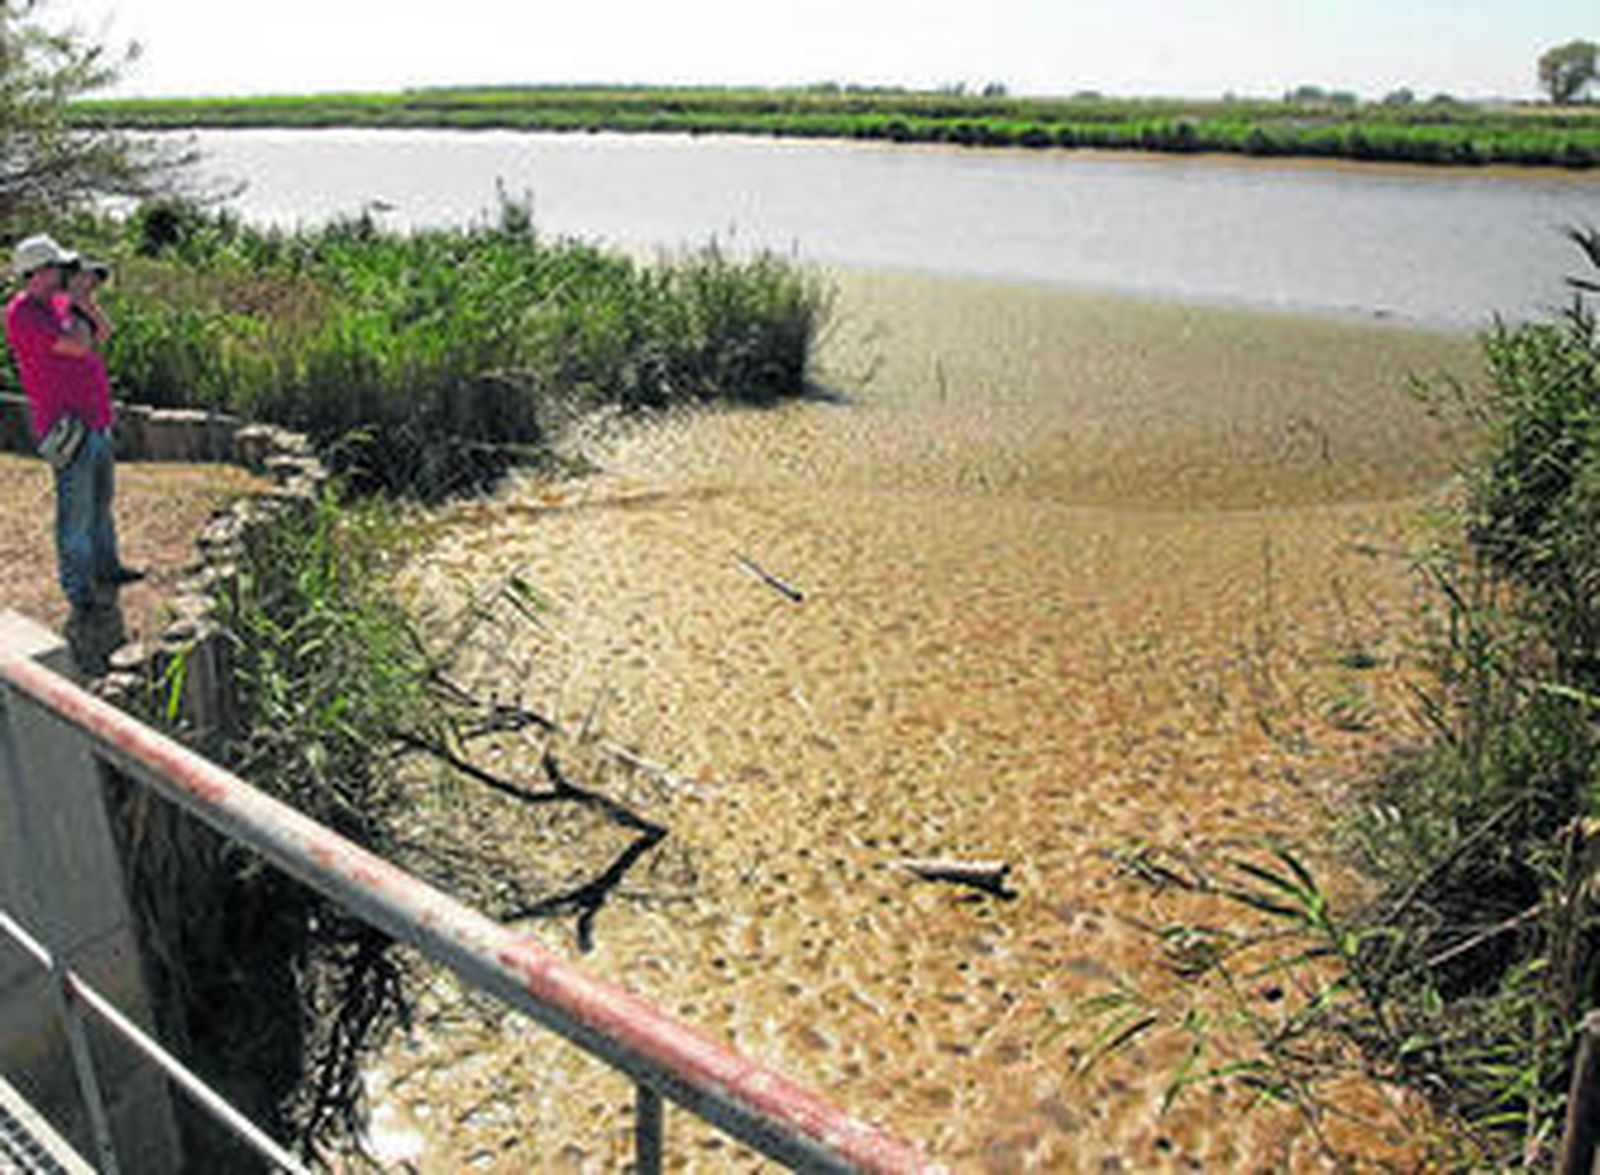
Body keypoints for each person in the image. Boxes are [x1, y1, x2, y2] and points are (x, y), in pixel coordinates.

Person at [5, 233, 142, 620]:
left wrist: (85, 302)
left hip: (95, 419)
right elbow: (78, 345)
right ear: (37, 273)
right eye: (59, 268)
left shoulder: (61, 304)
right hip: (67, 427)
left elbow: (103, 333)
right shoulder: (23, 313)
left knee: (101, 504)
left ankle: (107, 568)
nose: (67, 274)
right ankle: (79, 589)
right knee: (75, 512)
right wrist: (79, 305)